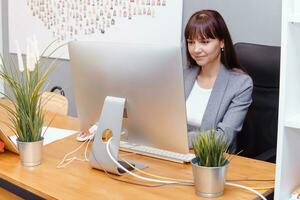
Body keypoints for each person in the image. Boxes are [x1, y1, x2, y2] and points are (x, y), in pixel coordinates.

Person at [184, 10, 253, 149]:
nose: (196, 49)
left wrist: (180, 139)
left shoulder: (240, 84)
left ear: (222, 42)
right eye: (191, 42)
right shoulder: (183, 76)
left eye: (204, 42)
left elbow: (223, 138)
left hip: (212, 162)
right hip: (176, 155)